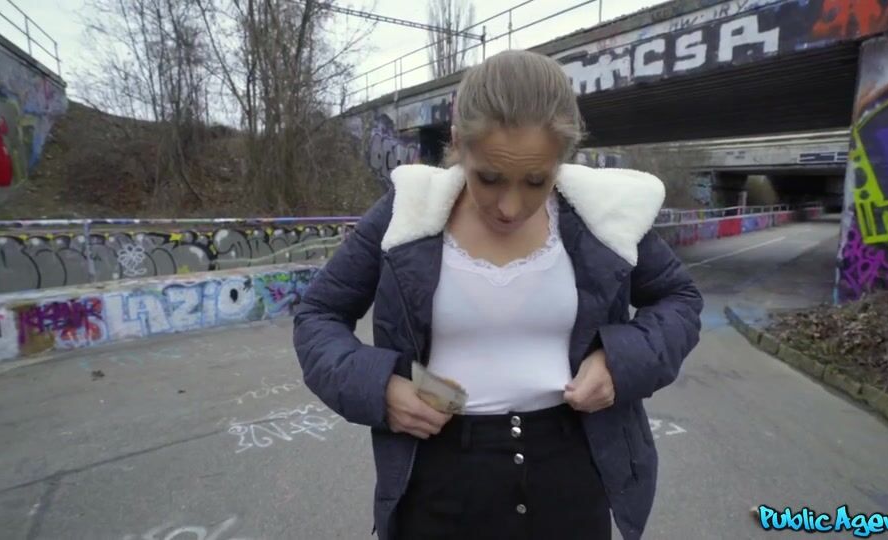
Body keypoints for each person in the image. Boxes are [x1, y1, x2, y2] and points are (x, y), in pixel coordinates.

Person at [294, 49, 703, 540]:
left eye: (536, 180)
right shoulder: (408, 214)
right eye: (489, 177)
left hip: (573, 476)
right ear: (457, 143)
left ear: (562, 159)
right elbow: (318, 314)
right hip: (439, 481)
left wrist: (621, 362)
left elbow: (679, 300)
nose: (510, 207)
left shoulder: (602, 216)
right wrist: (380, 388)